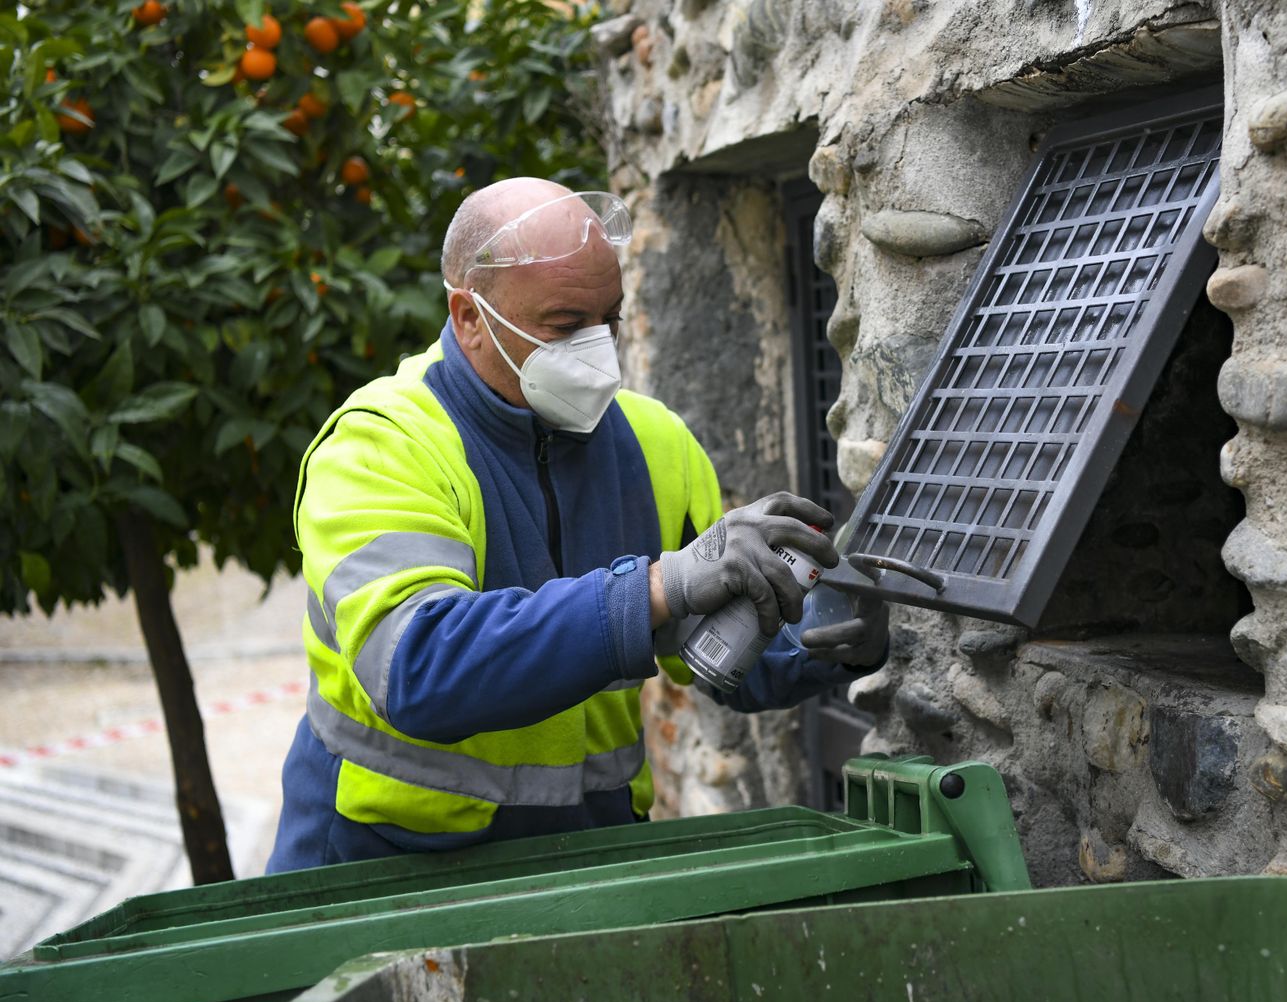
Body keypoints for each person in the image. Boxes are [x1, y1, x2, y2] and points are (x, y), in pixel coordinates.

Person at [266, 178, 888, 871]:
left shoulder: (657, 443)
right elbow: (420, 667)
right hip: (382, 870)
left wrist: (826, 637)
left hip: (590, 861)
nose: (598, 350)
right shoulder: (384, 445)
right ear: (469, 317)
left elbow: (720, 656)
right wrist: (658, 585)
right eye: (565, 325)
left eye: (610, 319)